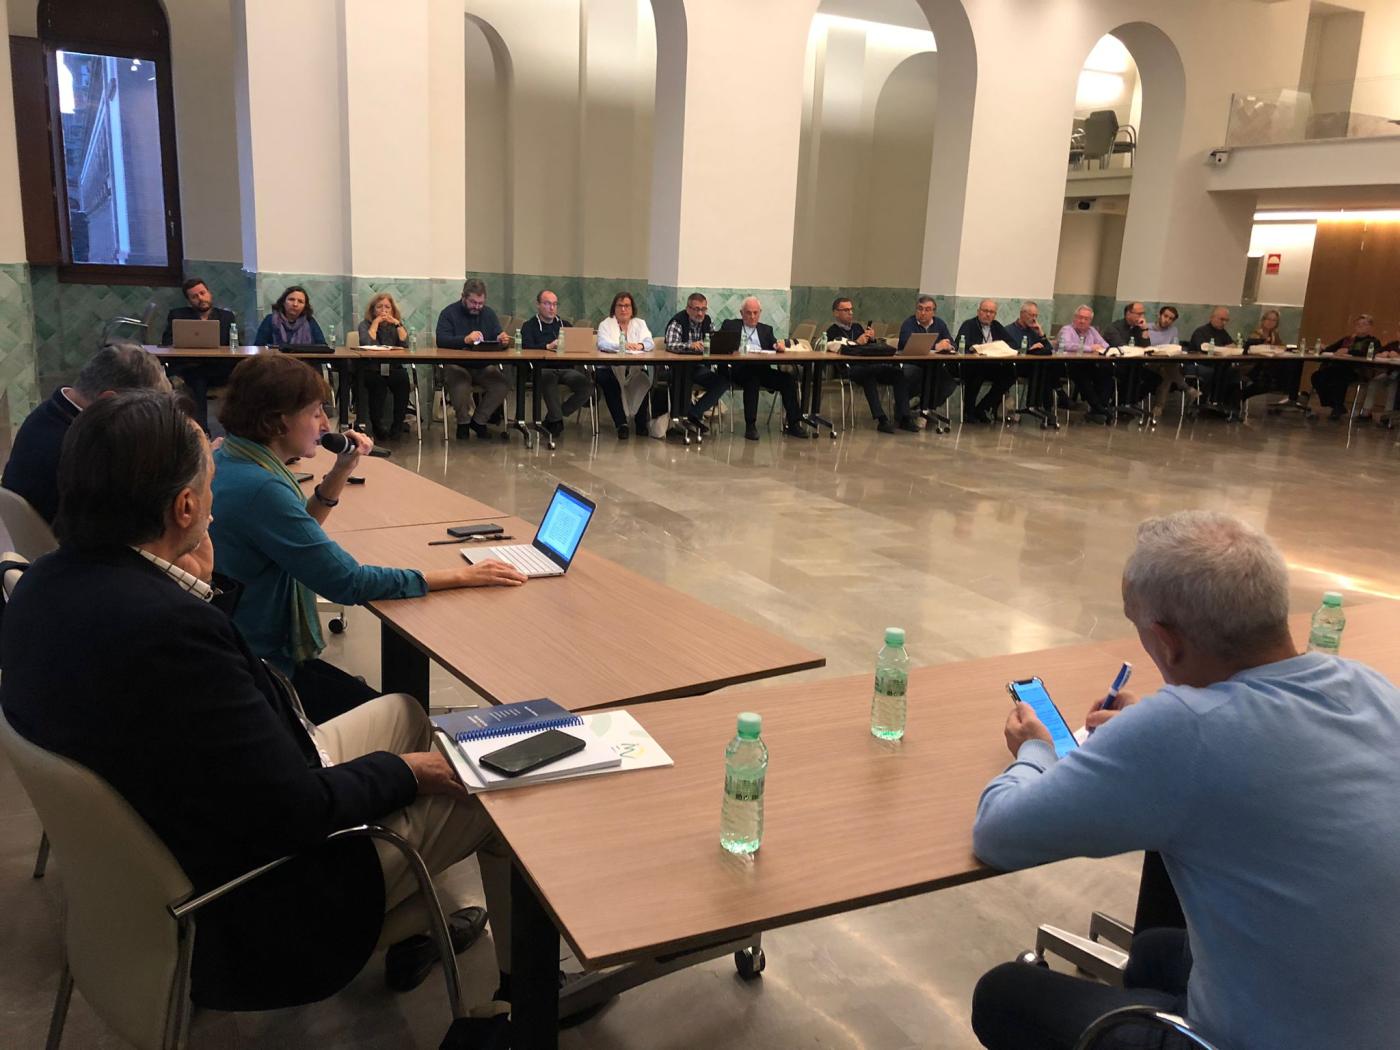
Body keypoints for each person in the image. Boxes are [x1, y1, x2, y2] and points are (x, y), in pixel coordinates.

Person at [0, 389, 517, 1010]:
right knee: (496, 789)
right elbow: (297, 809)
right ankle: (530, 991)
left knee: (405, 713)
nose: (215, 507)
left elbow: (208, 722)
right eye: (208, 487)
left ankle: (418, 918)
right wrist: (408, 772)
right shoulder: (170, 632)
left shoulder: (41, 584)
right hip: (265, 901)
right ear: (184, 506)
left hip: (167, 845)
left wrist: (205, 588)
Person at [970, 510, 1400, 1050]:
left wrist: (1035, 748)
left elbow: (999, 833)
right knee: (1152, 951)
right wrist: (1147, 733)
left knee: (1003, 993)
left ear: (1166, 641)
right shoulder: (1367, 685)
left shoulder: (1184, 730)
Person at [209, 354, 526, 723]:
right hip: (265, 671)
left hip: (238, 652)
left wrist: (341, 469)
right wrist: (462, 576)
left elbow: (294, 533)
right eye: (315, 413)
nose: (325, 424)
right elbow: (349, 582)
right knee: (406, 720)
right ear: (279, 422)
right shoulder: (262, 487)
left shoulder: (235, 458)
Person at [2, 345, 170, 524]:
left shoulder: (48, 413)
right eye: (146, 413)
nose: (149, 424)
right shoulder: (85, 450)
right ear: (109, 401)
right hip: (67, 543)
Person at [720, 297, 811, 441]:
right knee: (752, 380)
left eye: (755, 313)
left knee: (787, 379)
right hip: (739, 370)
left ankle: (794, 423)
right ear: (741, 313)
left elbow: (773, 346)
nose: (752, 316)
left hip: (762, 369)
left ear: (760, 313)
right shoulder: (730, 326)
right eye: (748, 313)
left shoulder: (766, 329)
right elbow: (721, 346)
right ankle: (751, 425)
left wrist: (779, 347)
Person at [434, 279, 514, 441]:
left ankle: (479, 420)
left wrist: (502, 339)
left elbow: (497, 336)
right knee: (461, 385)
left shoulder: (489, 314)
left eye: (480, 303)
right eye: (473, 302)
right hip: (457, 365)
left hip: (482, 365)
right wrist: (465, 340)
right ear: (463, 297)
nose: (477, 306)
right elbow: (441, 340)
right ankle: (463, 423)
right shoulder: (448, 313)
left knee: (501, 384)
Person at [826, 297, 918, 433]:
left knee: (898, 374)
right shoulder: (831, 331)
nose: (850, 313)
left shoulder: (857, 327)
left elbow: (869, 349)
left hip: (870, 364)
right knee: (868, 376)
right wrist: (856, 343)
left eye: (851, 309)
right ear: (836, 313)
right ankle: (882, 419)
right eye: (845, 310)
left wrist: (872, 339)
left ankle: (904, 416)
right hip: (849, 368)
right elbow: (836, 349)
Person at [162, 276, 239, 431]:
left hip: (218, 367)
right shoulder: (178, 315)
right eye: (194, 296)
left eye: (202, 293)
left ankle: (237, 430)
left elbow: (234, 344)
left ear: (209, 293)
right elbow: (167, 342)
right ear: (188, 300)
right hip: (190, 367)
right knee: (198, 379)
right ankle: (202, 430)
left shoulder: (226, 317)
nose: (200, 298)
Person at [519, 289, 594, 439]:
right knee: (547, 379)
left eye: (554, 304)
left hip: (565, 368)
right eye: (547, 304)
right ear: (538, 305)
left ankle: (555, 417)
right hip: (542, 368)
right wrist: (547, 346)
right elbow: (525, 347)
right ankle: (556, 420)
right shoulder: (529, 326)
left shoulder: (564, 325)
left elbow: (576, 346)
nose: (551, 308)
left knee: (587, 386)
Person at [662, 292, 732, 434]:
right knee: (684, 377)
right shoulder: (678, 321)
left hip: (698, 368)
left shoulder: (707, 321)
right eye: (696, 309)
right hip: (677, 369)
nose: (700, 313)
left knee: (723, 382)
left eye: (703, 309)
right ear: (688, 309)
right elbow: (670, 344)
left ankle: (694, 414)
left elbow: (713, 340)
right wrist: (690, 345)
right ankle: (681, 417)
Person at [595, 291, 655, 440]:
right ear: (614, 308)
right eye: (620, 306)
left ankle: (641, 423)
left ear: (632, 308)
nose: (623, 310)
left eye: (627, 306)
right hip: (610, 368)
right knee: (609, 381)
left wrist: (640, 345)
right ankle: (621, 424)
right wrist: (623, 346)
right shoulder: (606, 324)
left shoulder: (640, 323)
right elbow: (602, 343)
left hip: (633, 367)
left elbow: (650, 343)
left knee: (643, 379)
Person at [354, 293, 412, 440]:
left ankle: (397, 426)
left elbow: (405, 344)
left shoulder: (397, 324)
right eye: (379, 307)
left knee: (403, 380)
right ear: (373, 310)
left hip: (393, 368)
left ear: (392, 310)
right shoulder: (364, 324)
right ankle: (377, 426)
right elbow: (367, 343)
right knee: (377, 384)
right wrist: (376, 323)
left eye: (387, 307)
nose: (384, 310)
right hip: (372, 368)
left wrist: (397, 324)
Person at [953, 300, 1018, 424]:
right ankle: (969, 412)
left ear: (995, 315)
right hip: (971, 366)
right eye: (985, 311)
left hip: (992, 365)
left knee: (1010, 375)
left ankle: (983, 407)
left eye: (991, 312)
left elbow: (1012, 344)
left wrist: (998, 346)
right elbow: (960, 345)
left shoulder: (996, 326)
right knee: (977, 373)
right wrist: (974, 348)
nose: (988, 315)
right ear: (978, 312)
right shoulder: (969, 325)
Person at [1311, 313, 1384, 421]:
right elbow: (1331, 348)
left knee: (1339, 376)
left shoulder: (1373, 341)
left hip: (1357, 370)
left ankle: (1337, 407)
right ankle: (1335, 405)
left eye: (1364, 324)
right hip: (1337, 367)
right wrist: (1322, 348)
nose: (1360, 326)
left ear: (1370, 327)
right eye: (1358, 324)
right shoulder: (1347, 339)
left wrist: (1348, 351)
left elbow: (1367, 353)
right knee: (1317, 376)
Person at [897, 294, 958, 419]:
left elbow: (952, 342)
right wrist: (936, 346)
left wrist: (948, 345)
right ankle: (908, 407)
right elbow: (905, 343)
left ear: (933, 312)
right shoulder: (909, 323)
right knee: (918, 376)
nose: (923, 312)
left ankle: (926, 407)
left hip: (934, 365)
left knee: (949, 383)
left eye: (927, 309)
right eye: (920, 309)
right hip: (912, 364)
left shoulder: (939, 324)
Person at [1004, 301, 1062, 421]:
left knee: (1048, 368)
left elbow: (1049, 350)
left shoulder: (1033, 331)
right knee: (1046, 371)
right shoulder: (1009, 330)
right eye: (1031, 315)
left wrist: (1041, 333)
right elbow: (1009, 351)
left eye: (1036, 316)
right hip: (1017, 367)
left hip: (1036, 367)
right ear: (1022, 314)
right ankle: (1051, 401)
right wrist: (1029, 350)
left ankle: (1042, 407)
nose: (1034, 318)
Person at [1102, 302, 1162, 417]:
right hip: (1115, 365)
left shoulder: (1138, 328)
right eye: (1138, 314)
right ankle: (1122, 403)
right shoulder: (1114, 327)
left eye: (1143, 313)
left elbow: (1146, 348)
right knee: (1129, 375)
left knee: (1155, 378)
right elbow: (1122, 347)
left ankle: (1129, 402)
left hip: (1135, 365)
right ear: (1128, 313)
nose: (1141, 317)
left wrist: (1144, 330)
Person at [1239, 308, 1305, 410]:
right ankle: (1241, 395)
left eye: (1274, 320)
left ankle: (1291, 394)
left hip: (1269, 365)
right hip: (1254, 365)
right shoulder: (1256, 334)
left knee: (1293, 364)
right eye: (1268, 319)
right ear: (1263, 320)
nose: (1271, 322)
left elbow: (1281, 346)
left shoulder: (1274, 334)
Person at [1056, 305, 1113, 423]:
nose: (1082, 321)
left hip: (1090, 364)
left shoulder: (1092, 331)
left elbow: (1105, 345)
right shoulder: (1067, 329)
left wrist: (1100, 348)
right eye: (1080, 317)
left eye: (1086, 319)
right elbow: (1066, 345)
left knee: (1107, 373)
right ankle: (1098, 407)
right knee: (1082, 376)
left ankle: (1098, 409)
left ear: (1090, 321)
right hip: (1068, 365)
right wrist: (1090, 348)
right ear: (1074, 318)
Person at [1184, 306, 1239, 412]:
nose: (1224, 323)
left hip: (1218, 363)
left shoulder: (1223, 333)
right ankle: (1206, 401)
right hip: (1199, 363)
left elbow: (1232, 346)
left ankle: (1224, 403)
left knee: (1232, 371)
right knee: (1212, 371)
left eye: (1226, 320)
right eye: (1221, 319)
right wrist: (1222, 349)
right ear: (1212, 317)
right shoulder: (1201, 331)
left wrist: (1223, 349)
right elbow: (1203, 348)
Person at [1145, 304, 1195, 413]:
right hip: (1149, 363)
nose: (1167, 320)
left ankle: (1159, 407)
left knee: (1167, 372)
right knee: (1168, 370)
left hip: (1166, 363)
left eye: (1171, 319)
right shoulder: (1147, 327)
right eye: (1165, 316)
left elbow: (1174, 347)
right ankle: (1186, 389)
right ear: (1159, 315)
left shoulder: (1173, 330)